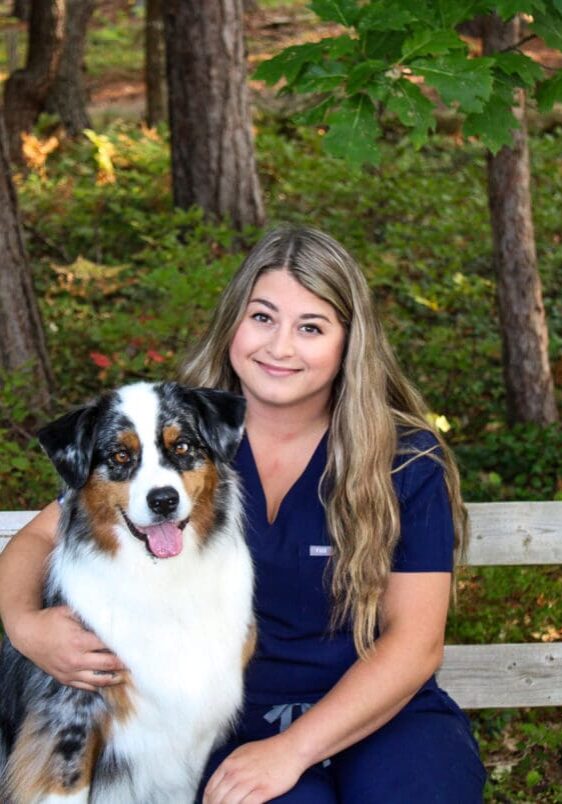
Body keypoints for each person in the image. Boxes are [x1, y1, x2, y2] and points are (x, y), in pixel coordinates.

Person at [0, 227, 486, 803]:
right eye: (262, 317)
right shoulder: (184, 434)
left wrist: (295, 749)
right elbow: (39, 538)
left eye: (311, 327)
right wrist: (24, 627)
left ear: (349, 342)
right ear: (233, 321)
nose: (280, 347)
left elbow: (416, 643)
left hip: (383, 715)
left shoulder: (405, 460)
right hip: (233, 727)